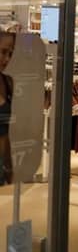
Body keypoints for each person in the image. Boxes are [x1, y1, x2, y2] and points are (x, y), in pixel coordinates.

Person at [0, 32, 15, 185]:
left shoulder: (8, 83)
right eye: (3, 52)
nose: (7, 59)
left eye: (10, 54)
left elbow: (6, 133)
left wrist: (9, 168)